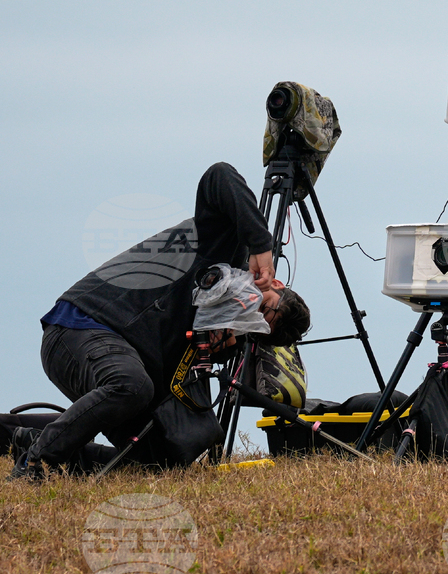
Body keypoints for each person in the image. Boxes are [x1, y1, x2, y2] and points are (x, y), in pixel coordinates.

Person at [9, 162, 310, 480]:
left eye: (259, 329)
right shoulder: (228, 245)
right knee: (131, 386)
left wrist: (217, 350)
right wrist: (260, 244)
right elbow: (219, 176)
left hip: (129, 361)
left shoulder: (230, 330)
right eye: (264, 310)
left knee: (163, 458)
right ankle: (34, 464)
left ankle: (26, 439)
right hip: (83, 326)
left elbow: (177, 384)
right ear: (274, 284)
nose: (252, 318)